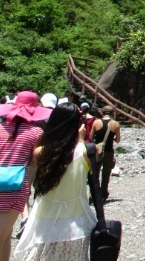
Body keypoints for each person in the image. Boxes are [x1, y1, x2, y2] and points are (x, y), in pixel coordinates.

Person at [15, 103, 97, 261]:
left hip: (45, 221)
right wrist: (80, 140)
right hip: (77, 222)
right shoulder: (86, 151)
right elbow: (91, 174)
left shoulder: (40, 152)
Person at [0, 92, 46, 261]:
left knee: (4, 238)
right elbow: (35, 161)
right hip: (16, 187)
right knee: (4, 237)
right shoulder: (36, 132)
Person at [92, 107, 119, 201]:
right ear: (112, 113)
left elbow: (91, 138)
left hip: (97, 150)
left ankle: (95, 193)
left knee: (95, 172)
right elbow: (118, 140)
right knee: (106, 174)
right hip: (109, 151)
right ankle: (104, 193)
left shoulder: (96, 122)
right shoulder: (115, 124)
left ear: (102, 112)